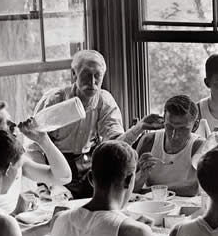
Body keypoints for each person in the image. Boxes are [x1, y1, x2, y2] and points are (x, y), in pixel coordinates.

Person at [31, 49, 163, 197]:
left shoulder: (104, 101)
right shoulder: (54, 101)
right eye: (86, 75)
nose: (92, 83)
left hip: (89, 165)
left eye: (97, 76)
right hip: (57, 165)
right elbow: (33, 146)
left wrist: (139, 128)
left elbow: (115, 145)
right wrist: (48, 183)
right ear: (74, 74)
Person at [133, 94, 218, 196]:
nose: (174, 135)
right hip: (152, 208)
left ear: (195, 126)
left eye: (182, 129)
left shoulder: (199, 147)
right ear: (164, 120)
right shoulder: (148, 141)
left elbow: (194, 189)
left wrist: (148, 191)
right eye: (169, 127)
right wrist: (142, 174)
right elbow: (130, 189)